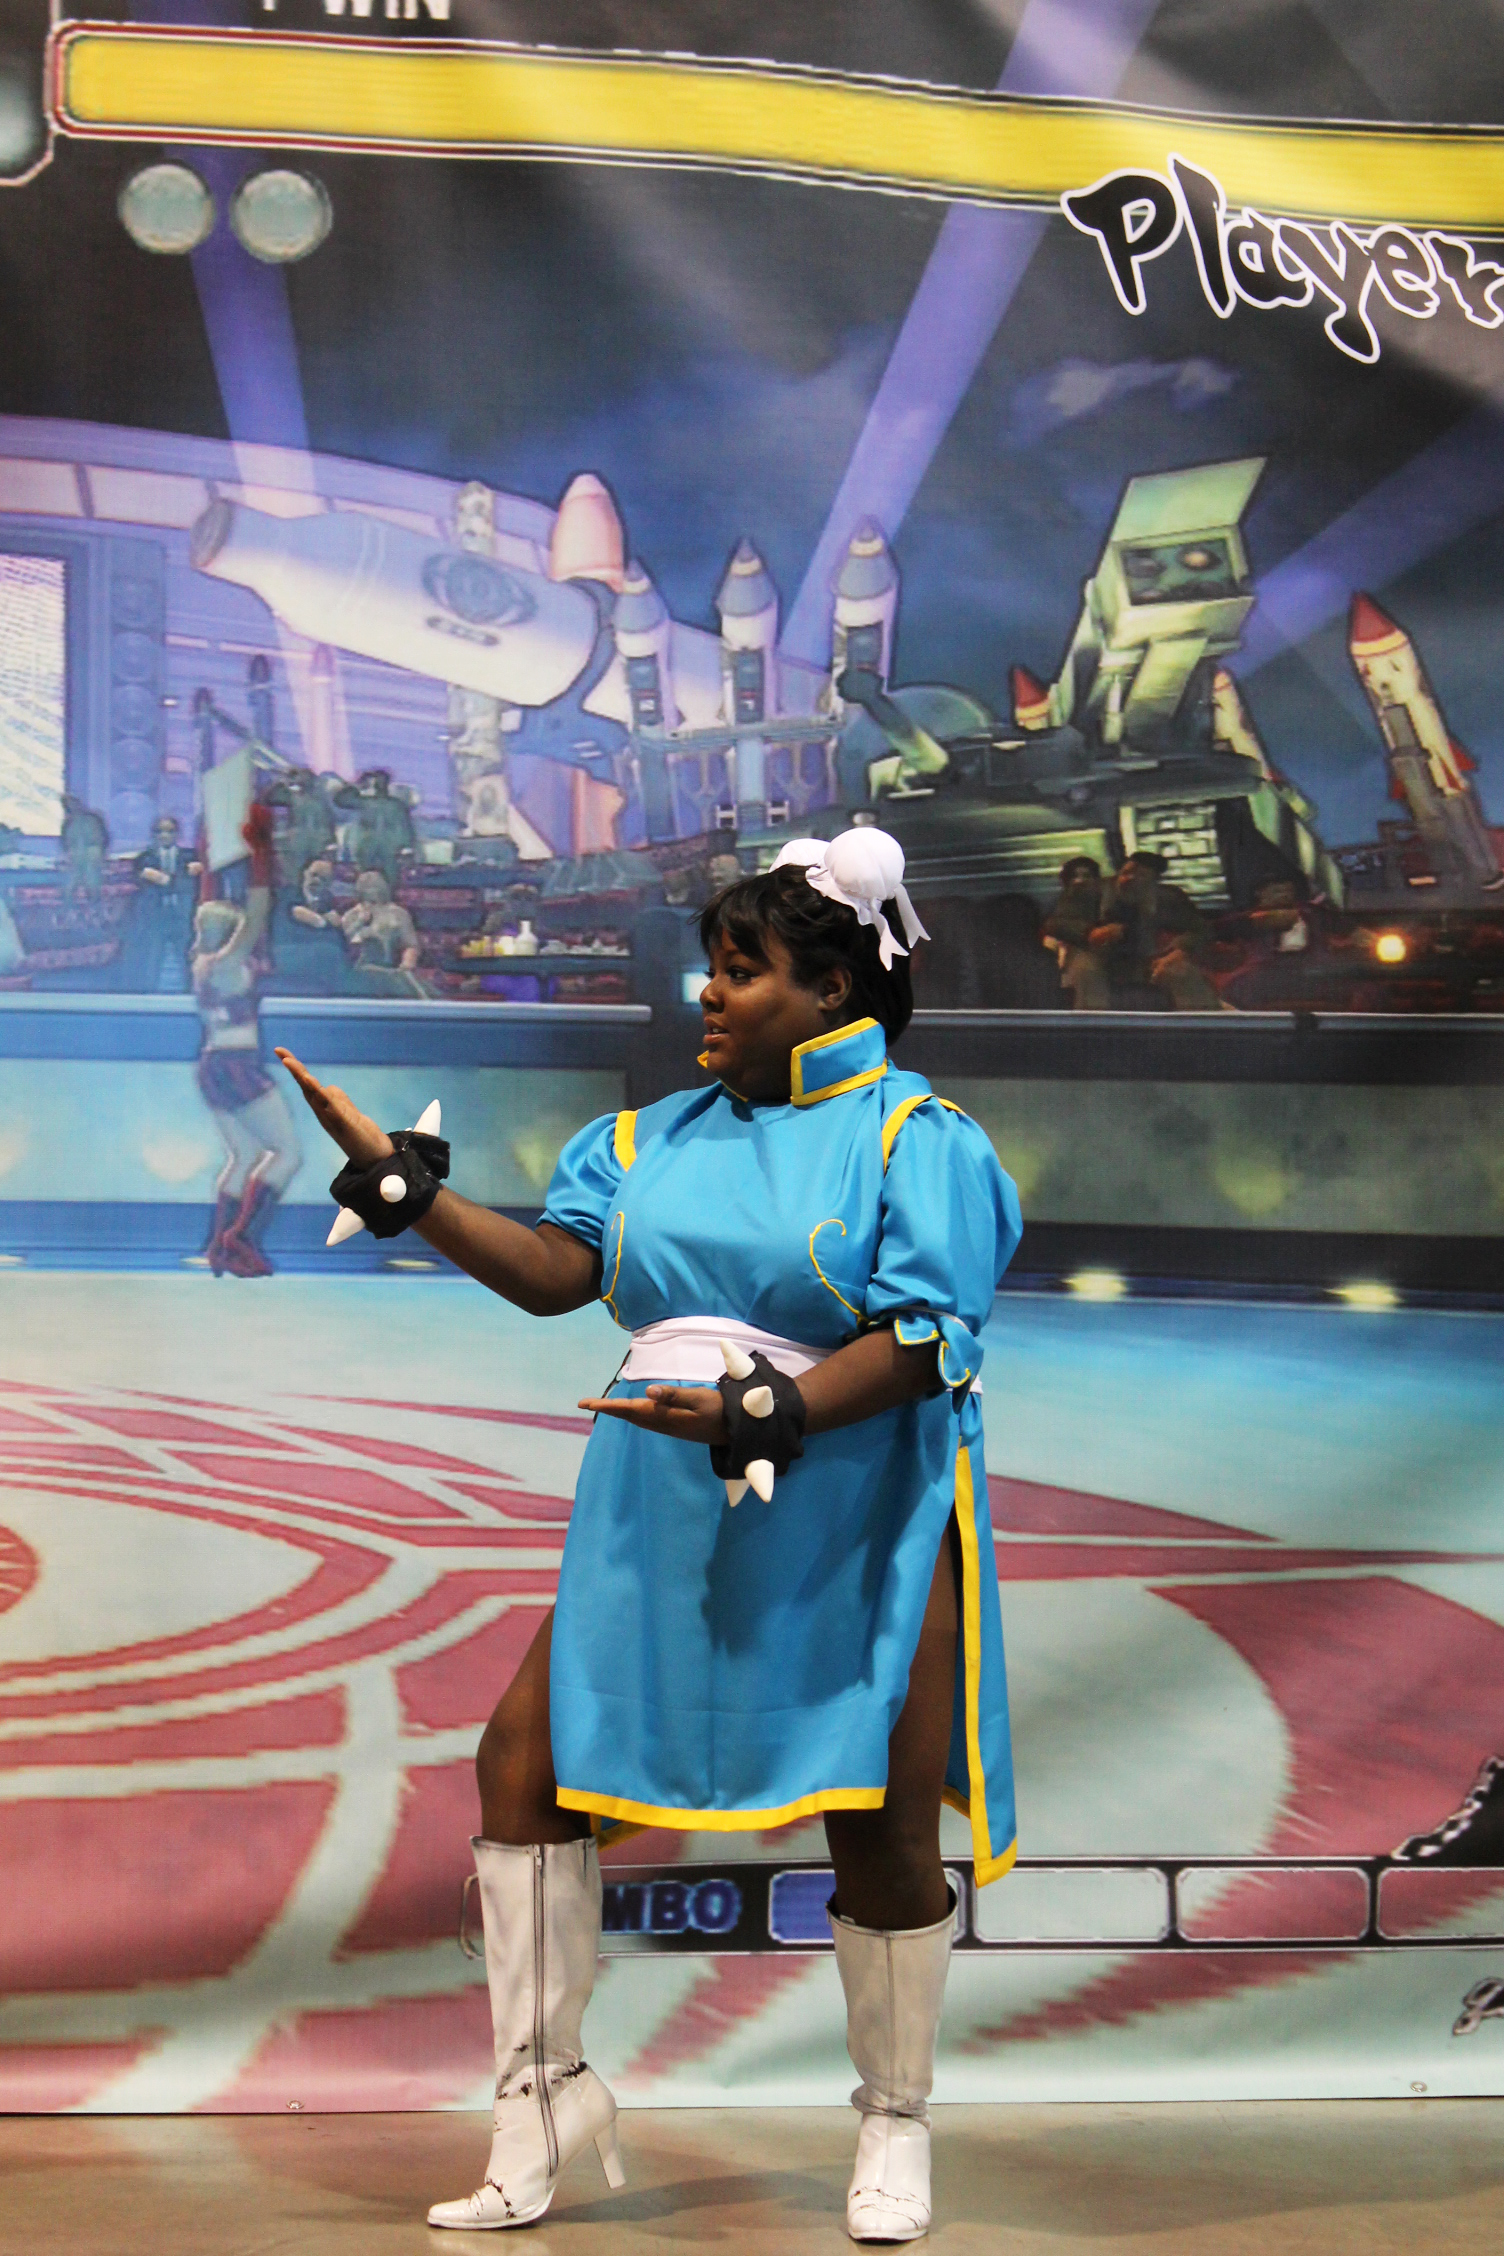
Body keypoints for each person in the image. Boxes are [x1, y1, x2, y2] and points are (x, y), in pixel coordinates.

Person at [278, 825, 1021, 2242]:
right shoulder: (646, 1138)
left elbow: (930, 1338)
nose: (711, 994)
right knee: (526, 1764)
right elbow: (557, 1273)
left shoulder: (916, 1140)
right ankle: (541, 2100)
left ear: (834, 990)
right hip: (652, 1497)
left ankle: (895, 2122)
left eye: (742, 971)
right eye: (712, 968)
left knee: (874, 1816)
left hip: (853, 1498)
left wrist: (773, 1411)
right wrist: (408, 1190)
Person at [192, 806, 302, 1276]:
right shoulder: (229, 962)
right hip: (237, 1063)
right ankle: (240, 1238)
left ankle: (219, 1246)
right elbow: (258, 912)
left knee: (243, 1155)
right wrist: (261, 855)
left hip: (213, 1065)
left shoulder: (201, 962)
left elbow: (212, 904)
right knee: (287, 1154)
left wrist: (208, 855)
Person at [1090, 851, 1223, 1010]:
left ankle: (1204, 1023)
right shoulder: (1096, 892)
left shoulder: (1169, 897)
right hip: (1100, 960)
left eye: (1141, 875)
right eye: (1126, 873)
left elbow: (1202, 930)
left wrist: (1181, 949)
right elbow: (1065, 921)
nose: (1129, 879)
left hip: (1150, 962)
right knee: (1087, 971)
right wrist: (1090, 934)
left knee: (1180, 971)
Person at [122, 814, 201, 991]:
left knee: (187, 957)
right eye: (160, 831)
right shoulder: (144, 858)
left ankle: (190, 992)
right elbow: (159, 881)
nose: (164, 836)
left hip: (183, 915)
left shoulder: (190, 856)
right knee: (152, 958)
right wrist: (175, 879)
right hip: (155, 917)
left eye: (170, 831)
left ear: (177, 834)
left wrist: (171, 881)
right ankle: (148, 995)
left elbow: (188, 882)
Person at [1041, 856, 1110, 1009]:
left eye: (1086, 876)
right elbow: (1051, 926)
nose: (1080, 881)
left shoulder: (1105, 904)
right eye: (1074, 876)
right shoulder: (1055, 905)